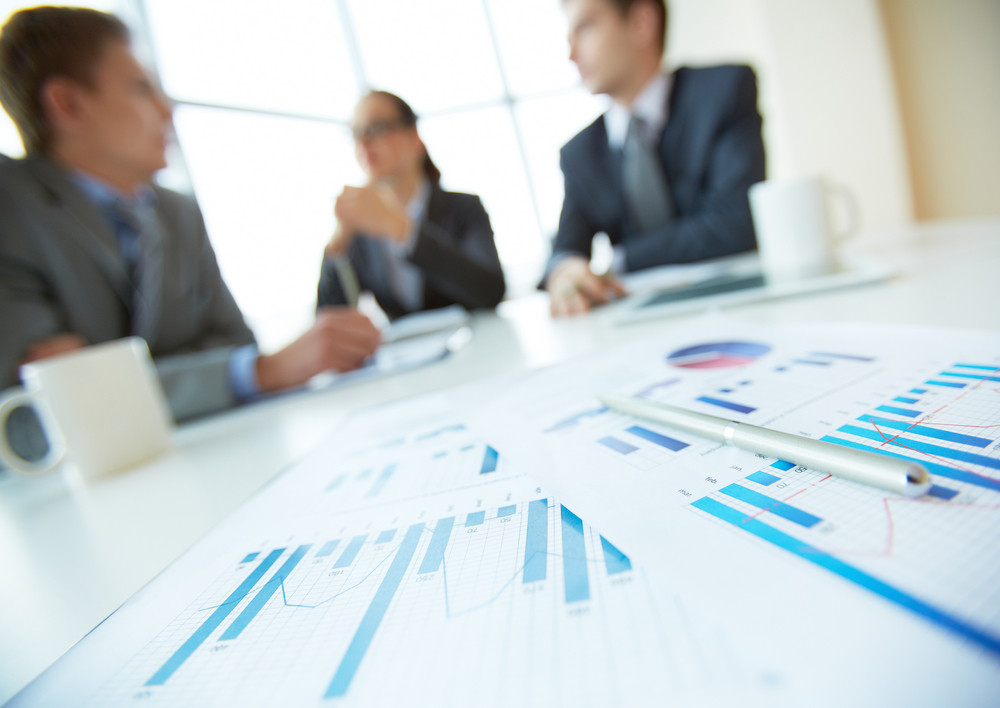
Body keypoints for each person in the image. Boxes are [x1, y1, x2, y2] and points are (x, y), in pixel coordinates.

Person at [0, 6, 380, 432]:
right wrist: (253, 373)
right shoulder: (10, 207)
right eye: (142, 89)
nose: (167, 111)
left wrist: (102, 377)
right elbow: (41, 412)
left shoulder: (176, 211)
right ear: (68, 105)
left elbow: (234, 342)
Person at [546, 0, 765, 316]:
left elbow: (735, 224)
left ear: (641, 22)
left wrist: (619, 261)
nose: (571, 55)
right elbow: (566, 248)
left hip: (743, 305)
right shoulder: (581, 152)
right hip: (640, 323)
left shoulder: (723, 92)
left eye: (586, 28)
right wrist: (566, 271)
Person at [317, 91, 505, 321]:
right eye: (356, 133)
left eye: (376, 128)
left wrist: (401, 229)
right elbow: (329, 325)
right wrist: (337, 248)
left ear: (414, 137)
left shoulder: (464, 208)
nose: (363, 142)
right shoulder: (361, 229)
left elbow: (491, 291)